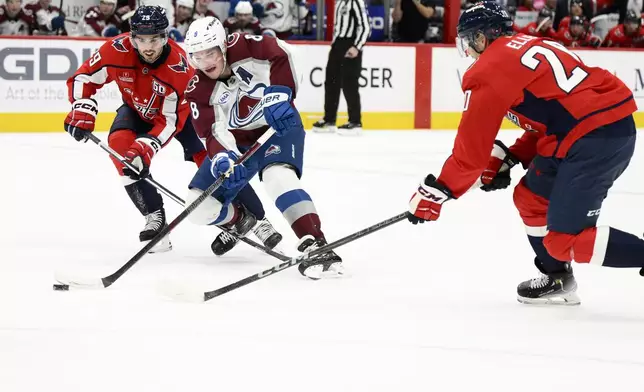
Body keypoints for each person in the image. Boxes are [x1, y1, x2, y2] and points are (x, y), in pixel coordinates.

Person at [407, 2, 644, 306]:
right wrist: (513, 156)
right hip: (596, 129)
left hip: (592, 139)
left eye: (469, 42)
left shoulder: (488, 68)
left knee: (563, 241)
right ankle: (557, 277)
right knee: (530, 198)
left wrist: (439, 191)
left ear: (482, 38)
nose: (469, 52)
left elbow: (470, 155)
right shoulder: (532, 44)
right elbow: (559, 112)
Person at [64, 6, 281, 254]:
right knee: (121, 150)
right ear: (131, 37)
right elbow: (84, 77)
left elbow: (170, 122)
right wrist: (82, 106)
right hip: (137, 110)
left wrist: (146, 147)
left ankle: (258, 219)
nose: (147, 47)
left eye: (154, 39)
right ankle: (157, 218)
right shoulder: (115, 49)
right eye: (141, 40)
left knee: (215, 162)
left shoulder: (180, 68)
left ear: (165, 36)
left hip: (182, 117)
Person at [182, 17, 343, 279]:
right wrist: (224, 157)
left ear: (223, 46)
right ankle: (240, 221)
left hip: (277, 128)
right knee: (197, 207)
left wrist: (280, 93)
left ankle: (315, 241)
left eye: (210, 52)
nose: (206, 61)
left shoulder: (246, 47)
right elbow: (213, 132)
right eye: (197, 56)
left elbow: (288, 53)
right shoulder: (198, 90)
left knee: (277, 176)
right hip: (239, 143)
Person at [311, 0, 370, 136]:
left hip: (350, 43)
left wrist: (357, 46)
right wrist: (334, 44)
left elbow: (365, 26)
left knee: (350, 84)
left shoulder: (356, 2)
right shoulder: (339, 2)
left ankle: (355, 122)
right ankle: (329, 119)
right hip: (338, 44)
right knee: (331, 82)